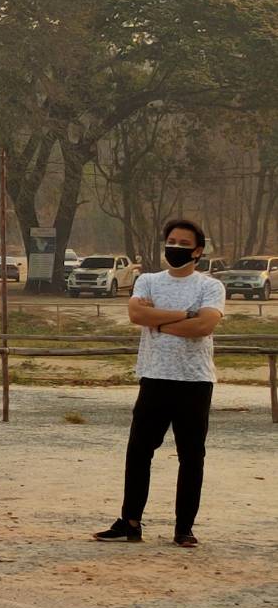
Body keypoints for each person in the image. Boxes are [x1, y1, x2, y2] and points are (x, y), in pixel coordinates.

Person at [94, 218, 225, 548]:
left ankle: (184, 527)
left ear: (198, 250)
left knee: (191, 455)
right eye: (171, 242)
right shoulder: (148, 280)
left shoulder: (210, 286)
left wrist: (161, 322)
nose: (175, 248)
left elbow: (204, 327)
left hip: (194, 380)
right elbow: (137, 316)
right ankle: (130, 521)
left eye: (183, 244)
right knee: (139, 451)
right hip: (154, 377)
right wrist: (184, 314)